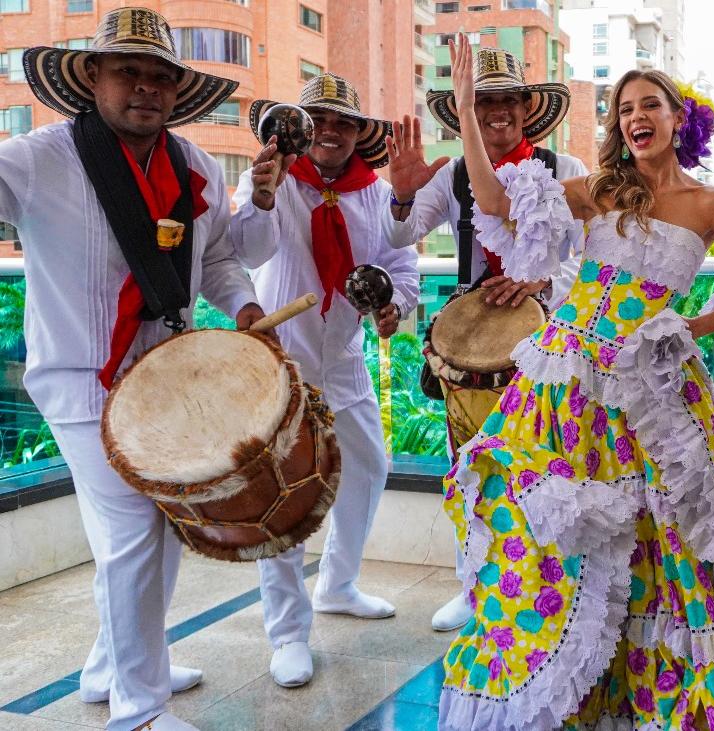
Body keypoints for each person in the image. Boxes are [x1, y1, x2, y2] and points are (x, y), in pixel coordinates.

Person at [432, 34, 714, 730]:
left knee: (666, 541)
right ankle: (564, 680)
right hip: (563, 384)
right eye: (625, 108)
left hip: (652, 388)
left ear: (677, 117)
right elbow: (497, 202)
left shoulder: (713, 204)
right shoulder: (602, 191)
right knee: (545, 521)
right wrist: (467, 118)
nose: (635, 116)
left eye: (649, 104)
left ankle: (651, 688)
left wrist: (691, 326)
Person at [0, 8, 270, 730]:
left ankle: (112, 663)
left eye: (160, 76)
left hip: (163, 379)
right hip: (81, 382)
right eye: (128, 71)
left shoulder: (196, 166)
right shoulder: (35, 159)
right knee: (132, 536)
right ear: (92, 77)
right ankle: (139, 707)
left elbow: (214, 259)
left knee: (160, 523)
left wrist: (243, 308)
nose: (146, 88)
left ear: (178, 90)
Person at [227, 73, 422, 688]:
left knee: (369, 466)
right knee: (287, 495)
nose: (332, 129)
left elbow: (402, 265)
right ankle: (287, 632)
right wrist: (261, 197)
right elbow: (247, 252)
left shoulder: (377, 194)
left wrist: (396, 307)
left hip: (346, 359)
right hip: (282, 361)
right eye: (321, 119)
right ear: (302, 128)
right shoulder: (271, 180)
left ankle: (338, 584)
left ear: (361, 132)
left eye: (345, 120)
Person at [395, 46, 589, 633]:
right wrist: (402, 192)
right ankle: (474, 587)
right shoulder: (453, 174)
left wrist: (544, 278)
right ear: (467, 114)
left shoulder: (567, 166)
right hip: (474, 349)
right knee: (469, 468)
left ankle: (549, 588)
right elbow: (398, 231)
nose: (496, 112)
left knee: (552, 467)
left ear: (528, 108)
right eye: (483, 102)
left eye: (507, 99)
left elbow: (590, 255)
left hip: (550, 341)